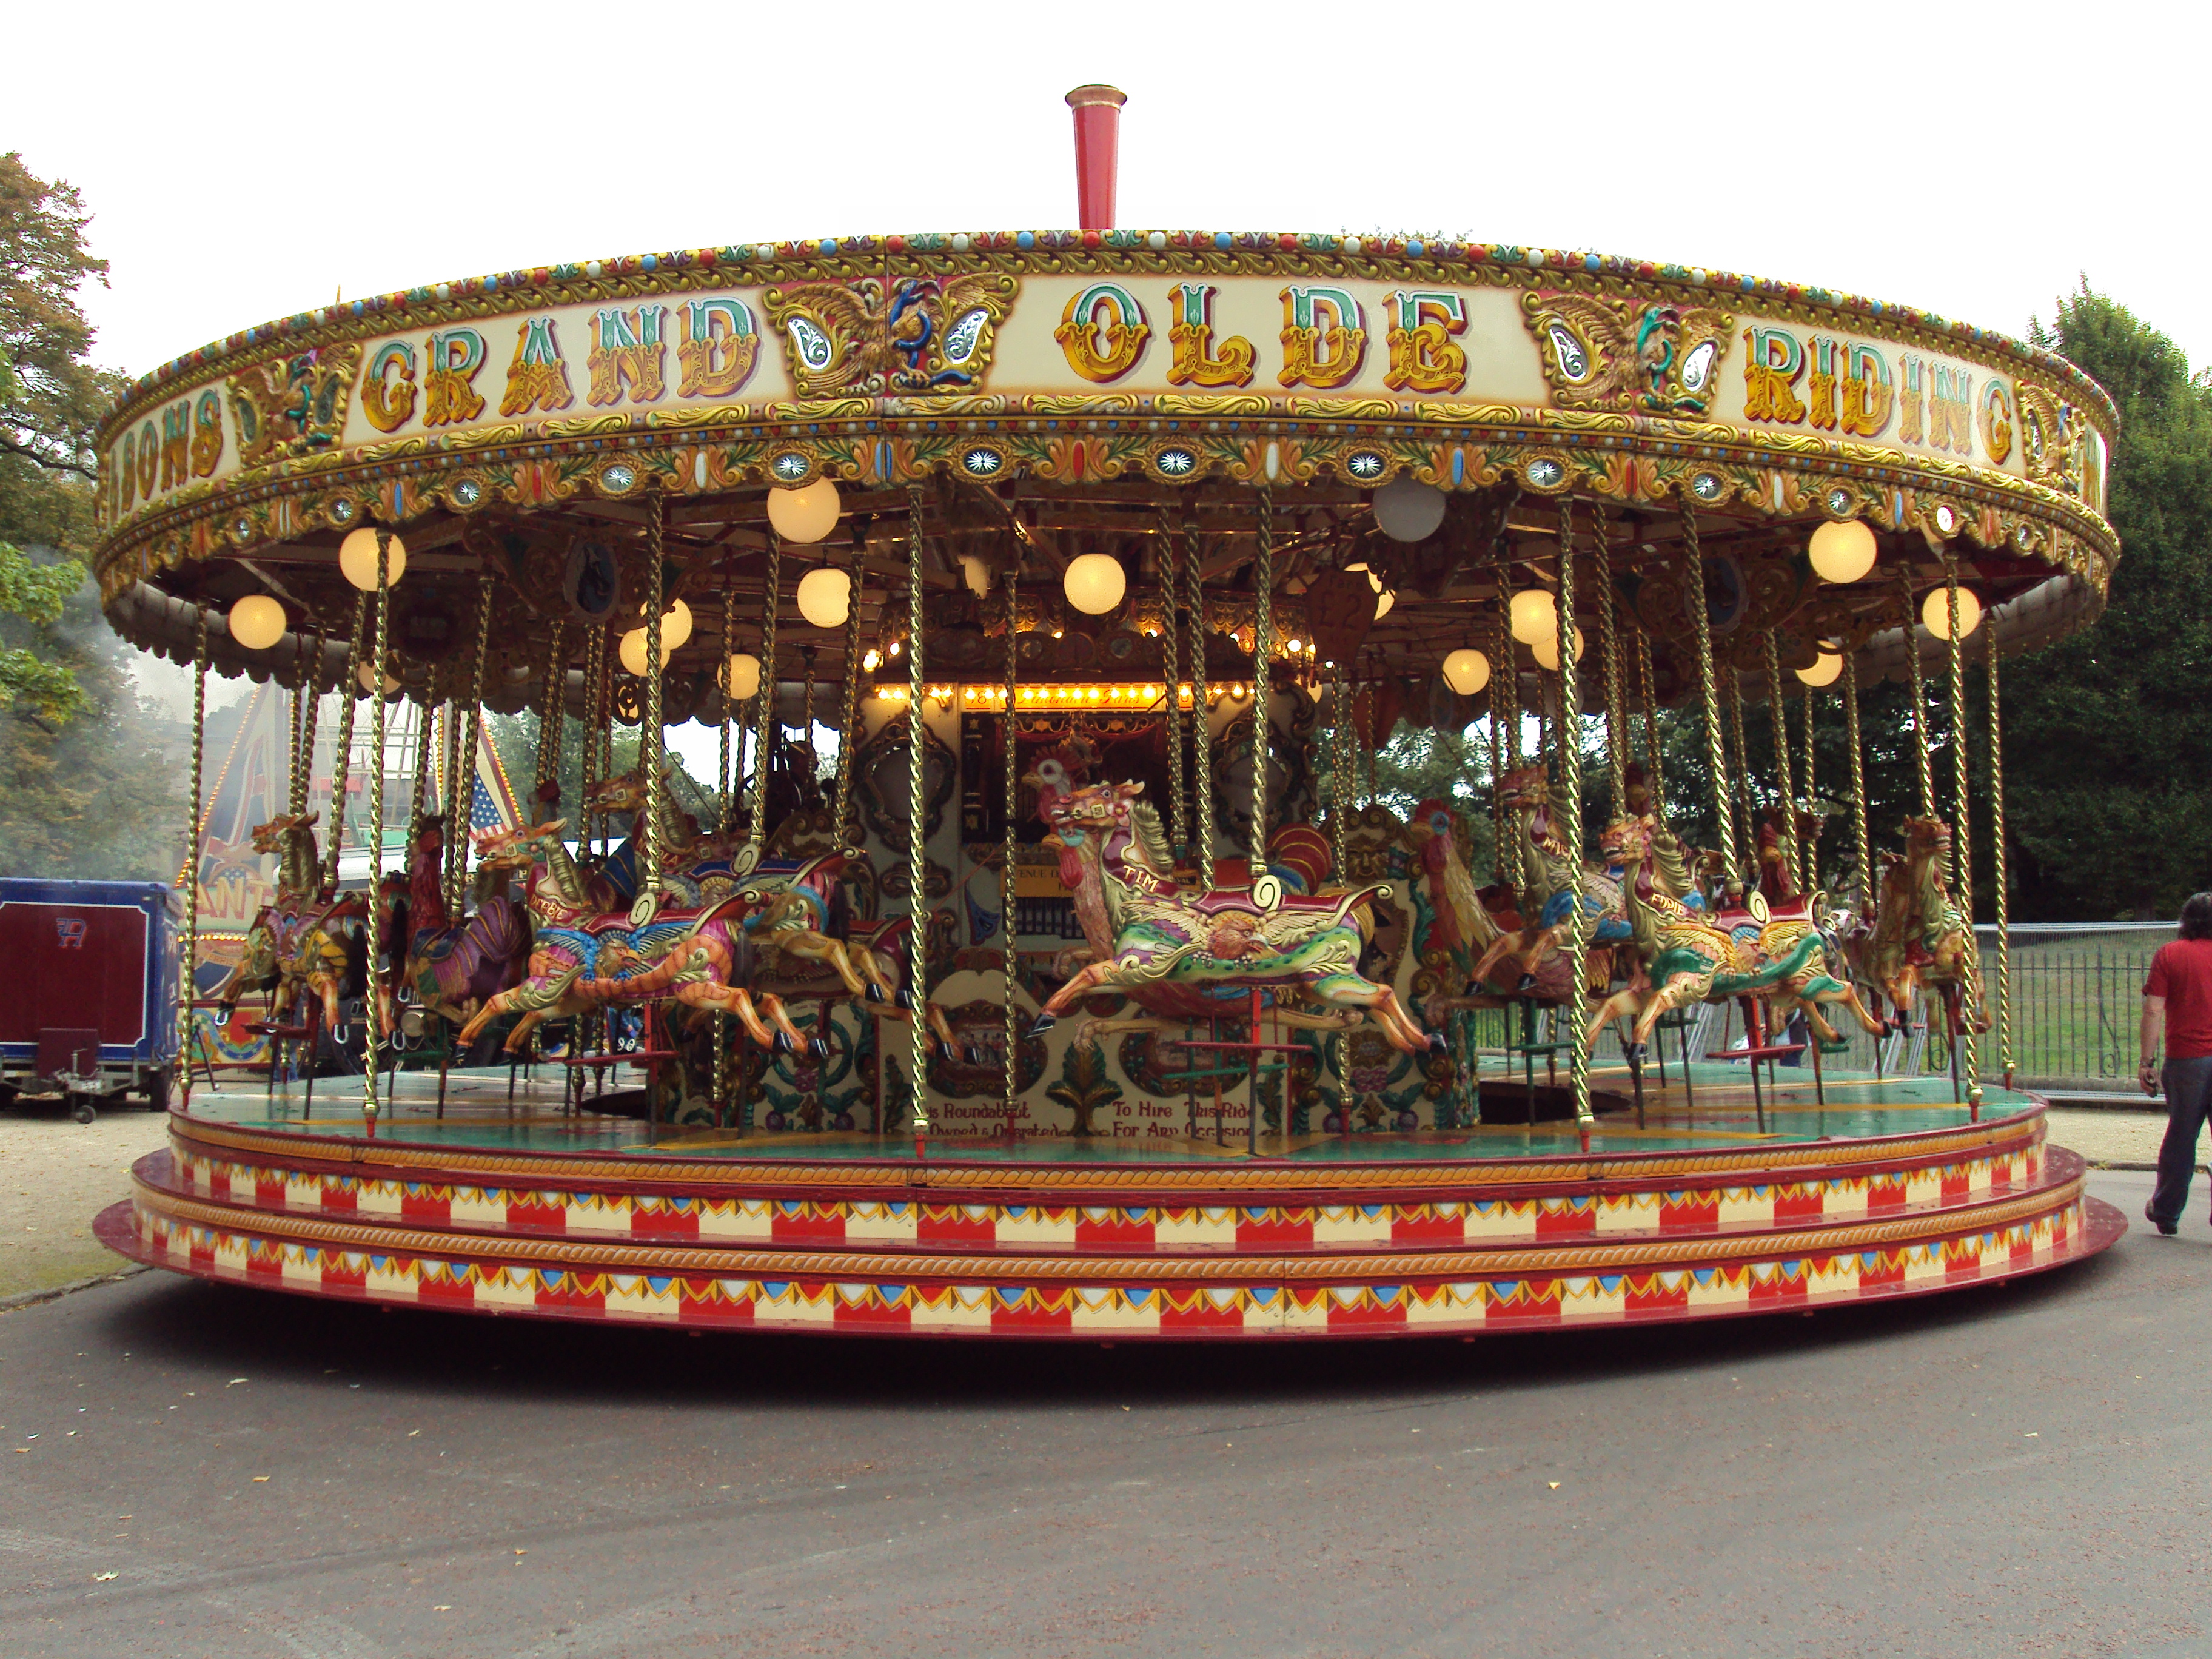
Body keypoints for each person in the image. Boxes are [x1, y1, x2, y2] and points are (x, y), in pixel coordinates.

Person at [2141, 893, 2212, 1235]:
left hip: (2187, 1060)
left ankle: (2167, 1212)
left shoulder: (2170, 954)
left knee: (2182, 1138)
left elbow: (2153, 1009)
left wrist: (2146, 1062)